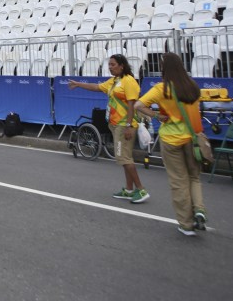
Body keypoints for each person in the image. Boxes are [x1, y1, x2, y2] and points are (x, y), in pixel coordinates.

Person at [135, 52, 207, 236]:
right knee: (194, 177)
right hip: (193, 139)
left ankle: (186, 223)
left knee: (178, 181)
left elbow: (138, 105)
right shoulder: (192, 86)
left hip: (170, 139)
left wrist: (156, 115)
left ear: (164, 68)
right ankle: (199, 209)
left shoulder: (162, 89)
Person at [68, 54, 149, 204]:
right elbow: (97, 87)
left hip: (124, 125)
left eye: (113, 64)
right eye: (109, 64)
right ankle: (129, 189)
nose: (110, 67)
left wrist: (129, 126)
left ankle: (141, 189)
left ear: (121, 66)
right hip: (115, 124)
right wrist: (78, 84)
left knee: (124, 158)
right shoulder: (114, 81)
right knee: (124, 158)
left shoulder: (129, 81)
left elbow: (132, 105)